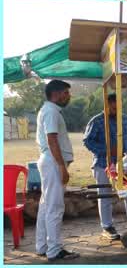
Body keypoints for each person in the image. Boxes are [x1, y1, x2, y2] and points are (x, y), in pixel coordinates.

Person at [35, 80, 79, 261]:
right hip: (53, 163)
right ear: (58, 93)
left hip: (49, 161)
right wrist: (62, 167)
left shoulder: (48, 110)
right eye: (66, 93)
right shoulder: (52, 111)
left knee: (46, 206)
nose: (68, 96)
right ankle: (54, 250)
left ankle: (42, 246)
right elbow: (52, 140)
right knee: (54, 207)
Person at [83, 93, 127, 240]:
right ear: (106, 106)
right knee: (105, 195)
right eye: (112, 108)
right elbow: (87, 141)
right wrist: (107, 151)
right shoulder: (97, 121)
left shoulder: (125, 118)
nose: (115, 111)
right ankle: (107, 226)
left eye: (118, 107)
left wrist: (126, 148)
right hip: (102, 163)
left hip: (124, 163)